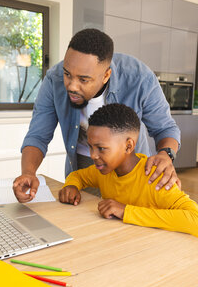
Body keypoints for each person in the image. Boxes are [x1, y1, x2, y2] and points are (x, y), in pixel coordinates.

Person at [13, 28, 181, 204]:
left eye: (83, 80)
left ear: (106, 75)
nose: (72, 86)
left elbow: (165, 128)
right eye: (67, 74)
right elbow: (38, 135)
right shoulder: (53, 79)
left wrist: (166, 154)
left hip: (131, 174)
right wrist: (29, 172)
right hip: (83, 169)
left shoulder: (139, 78)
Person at [59, 103, 198, 237]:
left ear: (128, 146)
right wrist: (71, 185)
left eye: (101, 148)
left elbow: (194, 219)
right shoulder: (105, 171)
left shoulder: (155, 177)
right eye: (90, 146)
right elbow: (78, 176)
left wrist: (126, 211)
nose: (93, 155)